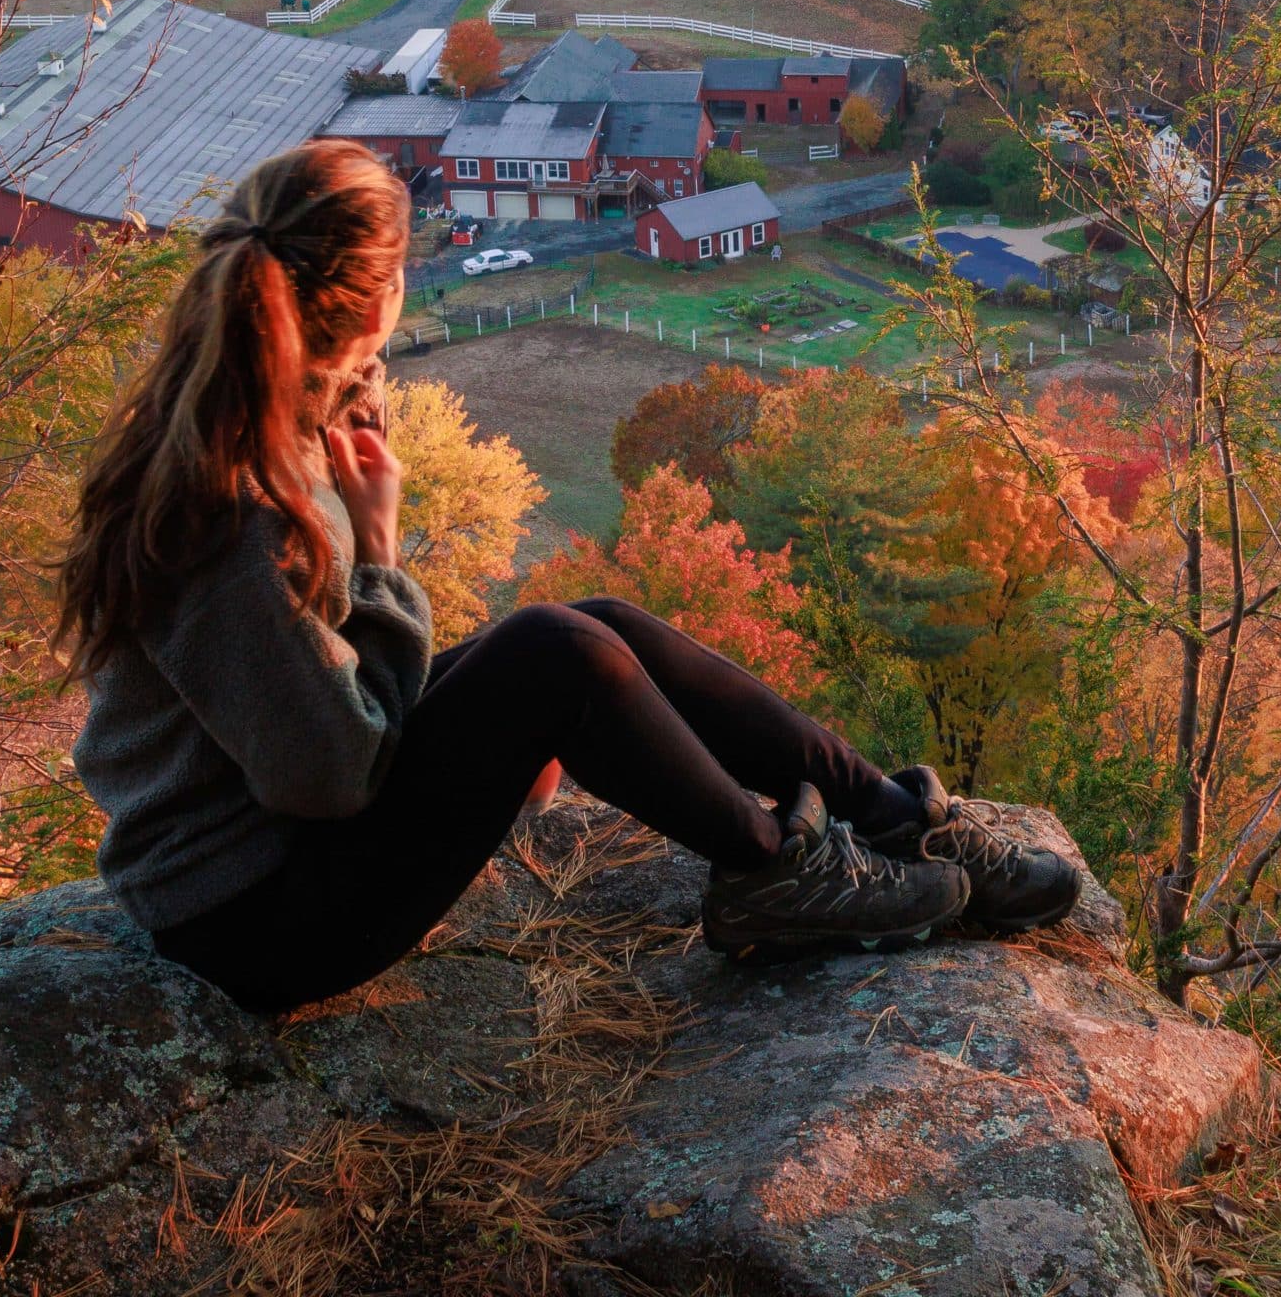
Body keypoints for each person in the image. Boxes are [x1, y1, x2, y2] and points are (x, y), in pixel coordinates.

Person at [61, 141, 1077, 1018]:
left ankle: (893, 814)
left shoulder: (252, 411)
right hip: (256, 916)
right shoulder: (236, 513)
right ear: (374, 302)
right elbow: (327, 776)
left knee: (596, 621)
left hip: (283, 840)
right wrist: (379, 552)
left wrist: (357, 419)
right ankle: (777, 871)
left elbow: (320, 717)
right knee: (557, 656)